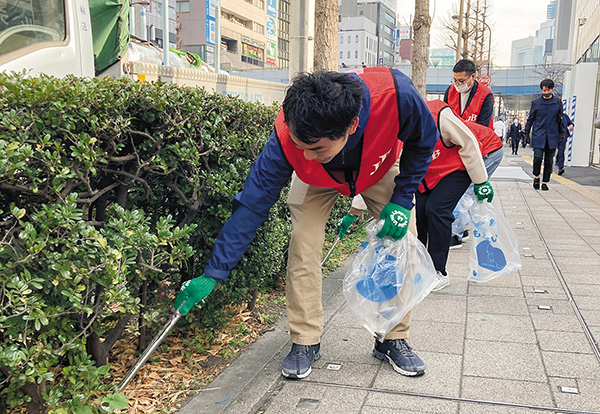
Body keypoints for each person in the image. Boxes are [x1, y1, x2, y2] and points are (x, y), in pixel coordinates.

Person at [173, 68, 438, 379]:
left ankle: (392, 338)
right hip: (317, 182)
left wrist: (403, 199)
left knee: (403, 239)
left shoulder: (396, 96)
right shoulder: (289, 138)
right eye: (300, 146)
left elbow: (424, 141)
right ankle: (305, 340)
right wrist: (215, 271)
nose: (306, 156)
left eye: (315, 148)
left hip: (378, 166)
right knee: (303, 244)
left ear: (351, 125)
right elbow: (252, 204)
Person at [416, 100, 494, 291]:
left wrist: (480, 181)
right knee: (419, 213)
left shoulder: (438, 114)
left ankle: (439, 271)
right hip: (430, 171)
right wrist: (357, 208)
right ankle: (420, 266)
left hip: (459, 165)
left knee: (436, 209)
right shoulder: (395, 128)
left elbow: (469, 143)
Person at [523, 79, 564, 191]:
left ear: (552, 89)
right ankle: (536, 176)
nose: (545, 92)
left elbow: (560, 119)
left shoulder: (558, 102)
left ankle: (545, 181)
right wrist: (526, 133)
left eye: (547, 90)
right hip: (538, 135)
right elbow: (530, 119)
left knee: (549, 160)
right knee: (537, 157)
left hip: (552, 135)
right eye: (543, 90)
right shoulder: (536, 103)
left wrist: (562, 133)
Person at [443, 58, 494, 128]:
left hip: (478, 136)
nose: (457, 84)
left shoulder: (485, 95)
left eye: (461, 81)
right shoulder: (450, 91)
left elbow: (483, 127)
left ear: (473, 76)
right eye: (455, 80)